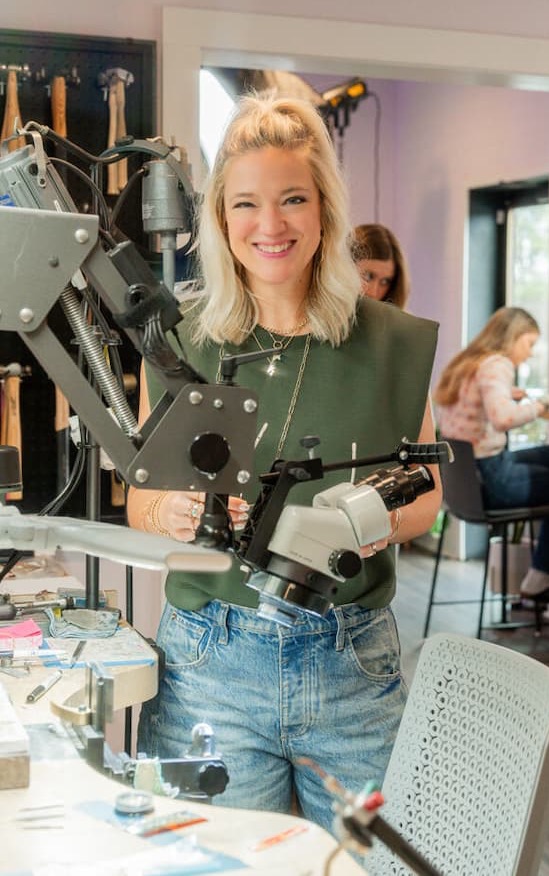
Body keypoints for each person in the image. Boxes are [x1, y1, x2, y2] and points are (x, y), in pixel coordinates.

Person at [126, 92, 442, 833]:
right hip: (211, 663)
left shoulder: (392, 344)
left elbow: (428, 496)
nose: (270, 226)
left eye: (293, 198)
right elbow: (139, 499)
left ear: (324, 209)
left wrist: (370, 525)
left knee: (371, 861)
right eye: (246, 204)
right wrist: (172, 511)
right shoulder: (179, 344)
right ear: (220, 218)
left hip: (351, 662)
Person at [434, 306, 549, 605]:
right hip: (492, 480)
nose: (529, 354)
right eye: (528, 344)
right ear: (513, 337)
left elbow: (485, 406)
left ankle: (545, 574)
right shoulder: (497, 364)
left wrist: (510, 394)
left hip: (469, 483)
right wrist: (546, 401)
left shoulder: (468, 363)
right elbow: (502, 419)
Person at [351, 223, 410, 308]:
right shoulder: (326, 317)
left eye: (385, 282)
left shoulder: (397, 320)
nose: (373, 292)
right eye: (368, 276)